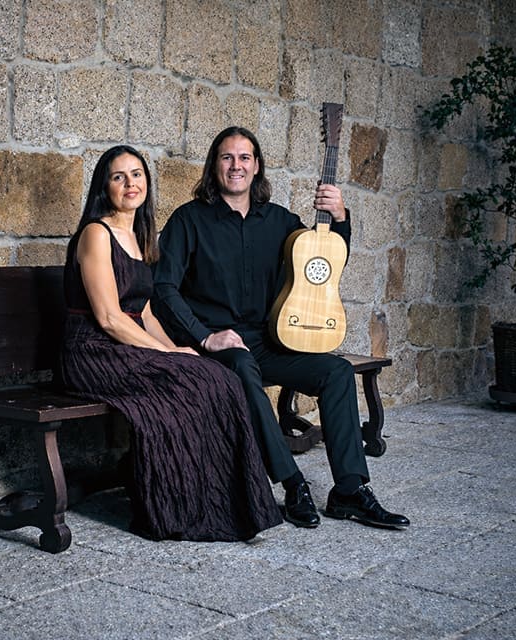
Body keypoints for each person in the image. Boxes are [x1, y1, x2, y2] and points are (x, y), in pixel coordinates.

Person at [152, 126, 409, 530]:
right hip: (218, 345)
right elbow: (163, 287)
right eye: (227, 157)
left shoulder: (280, 221)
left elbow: (322, 261)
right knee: (241, 365)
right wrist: (204, 335)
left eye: (245, 157)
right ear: (213, 166)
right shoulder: (189, 220)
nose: (236, 165)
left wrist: (340, 218)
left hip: (269, 341)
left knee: (337, 372)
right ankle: (292, 483)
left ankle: (349, 490)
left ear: (257, 167)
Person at [60, 144, 283, 541]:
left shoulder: (140, 234)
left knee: (214, 374)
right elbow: (111, 319)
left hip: (124, 346)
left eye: (137, 175)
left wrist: (183, 351)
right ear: (104, 187)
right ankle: (174, 504)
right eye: (118, 176)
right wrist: (167, 352)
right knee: (193, 380)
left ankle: (223, 502)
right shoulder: (97, 234)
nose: (130, 183)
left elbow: (144, 313)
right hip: (92, 350)